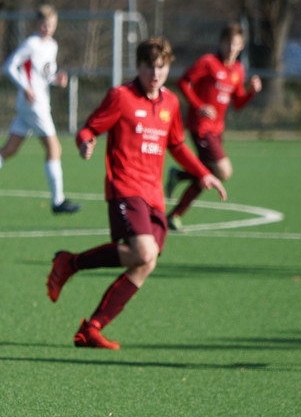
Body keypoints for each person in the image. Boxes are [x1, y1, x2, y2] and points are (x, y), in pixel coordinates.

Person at [46, 37, 226, 349]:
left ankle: (91, 326)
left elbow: (177, 145)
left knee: (146, 262)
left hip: (153, 194)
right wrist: (85, 143)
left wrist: (203, 173)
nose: (155, 74)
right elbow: (89, 128)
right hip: (125, 187)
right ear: (138, 66)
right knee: (144, 252)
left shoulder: (171, 103)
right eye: (149, 67)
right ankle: (70, 265)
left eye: (161, 67)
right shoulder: (121, 96)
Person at [0, 5, 80, 214]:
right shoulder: (31, 44)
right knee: (54, 148)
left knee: (11, 148)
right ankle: (58, 201)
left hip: (35, 103)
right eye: (43, 24)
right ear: (36, 24)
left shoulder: (52, 45)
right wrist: (25, 87)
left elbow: (45, 74)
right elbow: (9, 66)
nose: (47, 28)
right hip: (34, 104)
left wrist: (56, 79)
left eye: (51, 25)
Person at [165, 22, 261, 230]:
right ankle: (177, 193)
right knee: (223, 171)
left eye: (235, 44)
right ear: (221, 43)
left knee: (209, 173)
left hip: (217, 130)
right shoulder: (208, 62)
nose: (231, 48)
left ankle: (176, 206)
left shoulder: (238, 70)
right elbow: (183, 82)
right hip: (201, 127)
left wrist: (251, 92)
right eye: (228, 43)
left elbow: (237, 103)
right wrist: (199, 106)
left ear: (242, 46)